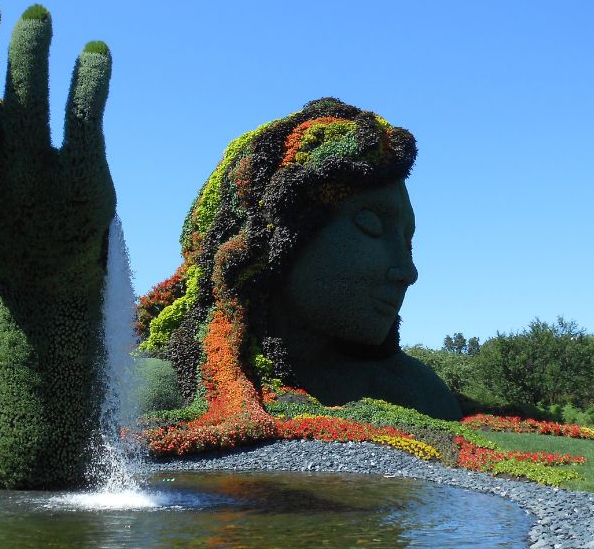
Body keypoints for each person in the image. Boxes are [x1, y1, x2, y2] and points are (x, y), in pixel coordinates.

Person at [138, 97, 461, 422]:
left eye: (408, 241)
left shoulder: (417, 393)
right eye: (371, 225)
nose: (407, 271)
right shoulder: (158, 389)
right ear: (268, 238)